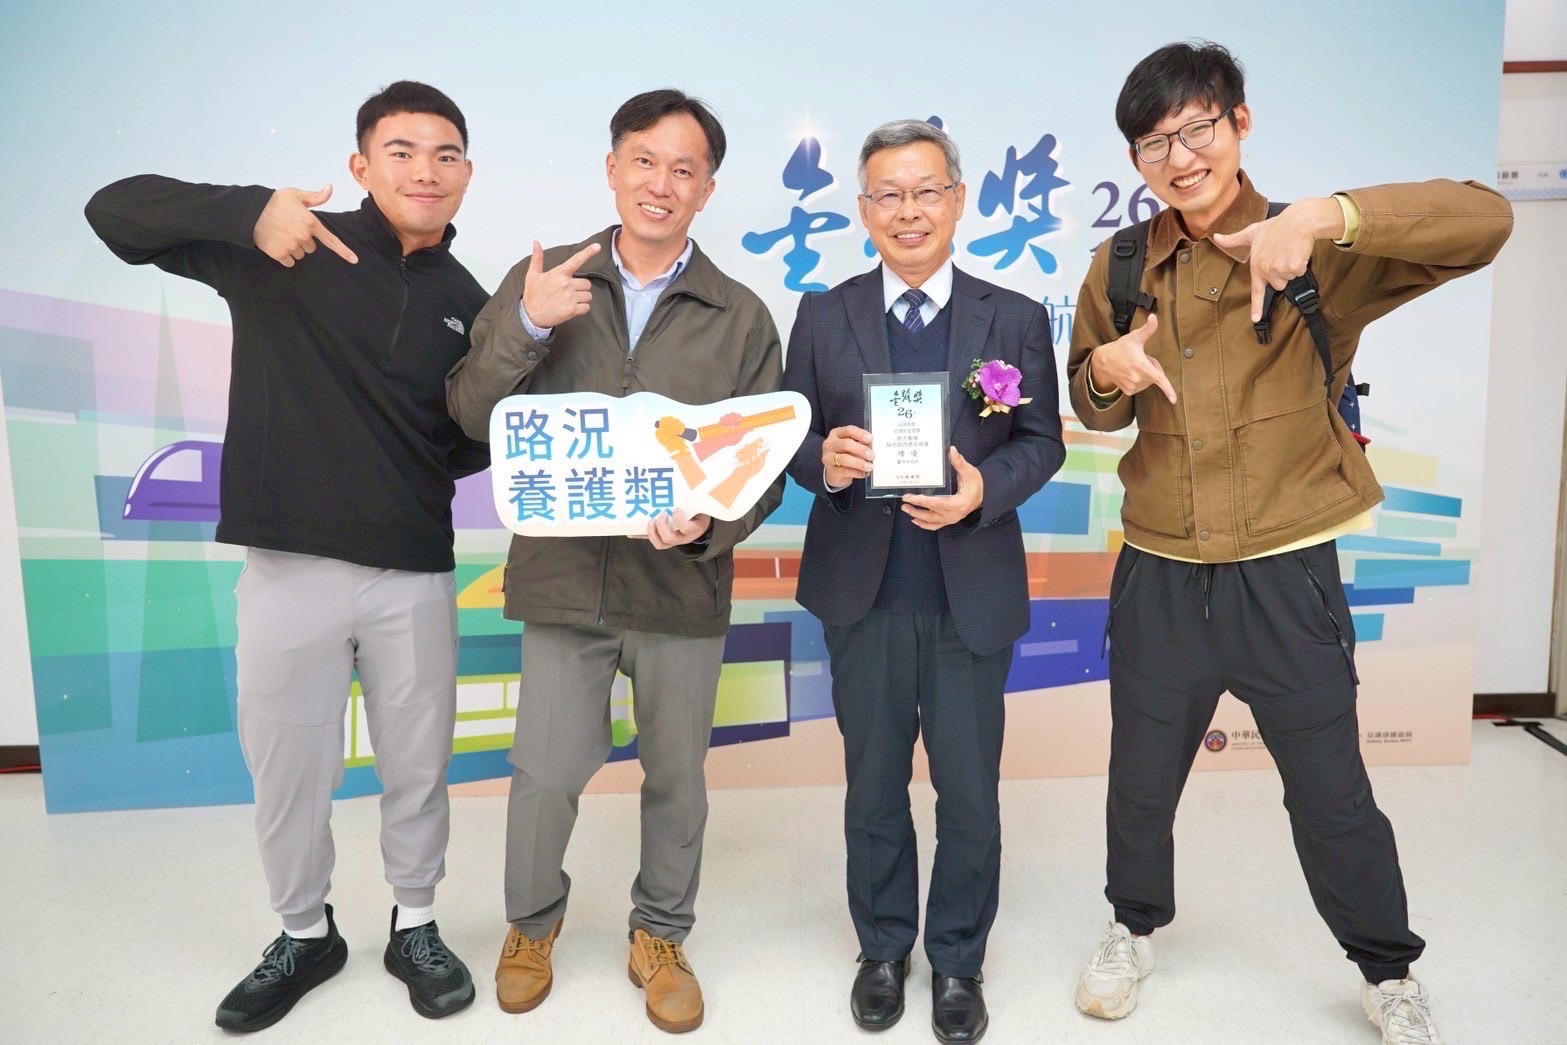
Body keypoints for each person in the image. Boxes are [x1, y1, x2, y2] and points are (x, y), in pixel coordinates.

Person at [1064, 41, 1512, 1045]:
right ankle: (1131, 926)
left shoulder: (1318, 248)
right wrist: (1105, 370)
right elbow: (1090, 402)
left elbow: (1485, 220)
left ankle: (1386, 970)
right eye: (1153, 143)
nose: (1179, 157)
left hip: (1284, 574)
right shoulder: (1122, 265)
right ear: (1135, 160)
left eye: (1196, 129)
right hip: (1160, 573)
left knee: (1330, 793)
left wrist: (1320, 216)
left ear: (1239, 123)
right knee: (1139, 780)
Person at [85, 80, 488, 1033]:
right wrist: (248, 211)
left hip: (414, 569)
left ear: (467, 173)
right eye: (401, 150)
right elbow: (114, 212)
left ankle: (416, 923)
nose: (424, 170)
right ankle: (305, 932)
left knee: (418, 766)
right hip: (288, 565)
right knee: (288, 768)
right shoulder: (289, 244)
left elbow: (470, 437)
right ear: (361, 164)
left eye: (444, 154)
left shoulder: (471, 302)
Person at [445, 88, 782, 1035]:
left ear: (706, 189)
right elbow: (469, 413)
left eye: (683, 169)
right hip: (563, 583)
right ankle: (530, 926)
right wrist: (526, 323)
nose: (660, 183)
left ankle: (661, 934)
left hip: (680, 587)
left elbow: (760, 468)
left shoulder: (740, 314)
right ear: (611, 168)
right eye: (643, 160)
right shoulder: (546, 279)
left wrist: (709, 523)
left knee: (677, 775)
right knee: (545, 770)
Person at [781, 119, 1064, 1045]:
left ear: (958, 199)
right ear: (864, 209)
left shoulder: (1011, 316)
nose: (908, 211)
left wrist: (986, 490)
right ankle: (881, 948)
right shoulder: (823, 315)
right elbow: (789, 435)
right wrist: (825, 460)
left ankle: (956, 959)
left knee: (968, 792)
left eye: (925, 191)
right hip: (860, 591)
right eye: (889, 195)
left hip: (968, 594)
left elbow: (1042, 442)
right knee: (871, 785)